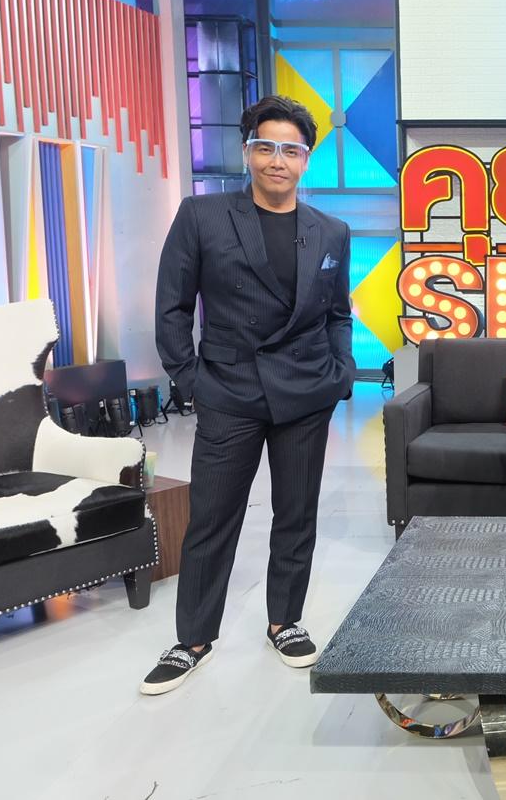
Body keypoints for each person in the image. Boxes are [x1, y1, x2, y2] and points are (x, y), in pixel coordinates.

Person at [141, 96, 355, 695]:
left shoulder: (331, 231)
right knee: (212, 518)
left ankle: (285, 621)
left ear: (306, 159)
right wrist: (192, 380)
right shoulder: (202, 215)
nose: (277, 160)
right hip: (229, 390)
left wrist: (340, 371)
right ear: (247, 152)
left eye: (291, 150)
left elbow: (338, 313)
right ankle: (192, 639)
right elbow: (172, 307)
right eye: (266, 147)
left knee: (296, 513)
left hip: (305, 392)